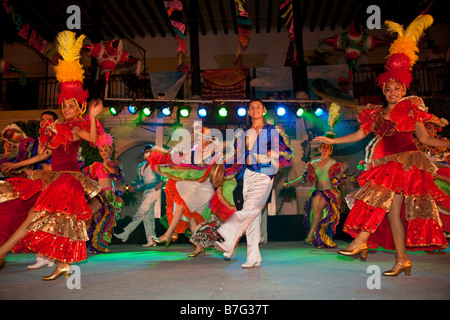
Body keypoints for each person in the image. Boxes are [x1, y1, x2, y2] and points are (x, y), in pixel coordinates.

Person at [313, 14, 448, 276]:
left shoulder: (411, 108)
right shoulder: (376, 114)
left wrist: (448, 140)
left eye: (397, 88)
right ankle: (402, 260)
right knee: (391, 214)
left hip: (405, 162)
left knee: (378, 198)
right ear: (383, 91)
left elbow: (426, 139)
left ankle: (360, 242)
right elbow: (358, 135)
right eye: (388, 90)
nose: (393, 93)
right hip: (386, 163)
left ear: (404, 88)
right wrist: (332, 139)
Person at [0, 30, 104, 281]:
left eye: (71, 105)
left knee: (35, 217)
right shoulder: (53, 128)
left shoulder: (76, 127)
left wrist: (91, 117)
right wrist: (17, 164)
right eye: (64, 105)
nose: (66, 109)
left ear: (78, 106)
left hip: (68, 180)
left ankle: (3, 253)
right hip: (53, 178)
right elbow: (42, 155)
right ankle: (62, 263)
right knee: (50, 220)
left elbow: (92, 139)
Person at [214, 98, 294, 268]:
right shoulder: (242, 134)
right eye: (252, 107)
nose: (255, 109)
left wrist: (269, 154)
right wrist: (222, 168)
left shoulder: (272, 130)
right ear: (249, 112)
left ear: (263, 110)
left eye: (258, 107)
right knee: (253, 215)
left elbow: (286, 152)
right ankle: (253, 257)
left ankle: (227, 237)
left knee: (249, 209)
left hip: (265, 174)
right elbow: (237, 157)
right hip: (249, 174)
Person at [151, 125, 219, 247]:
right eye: (199, 139)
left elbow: (213, 173)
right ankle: (199, 246)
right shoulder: (193, 152)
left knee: (182, 206)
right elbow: (183, 166)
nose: (201, 141)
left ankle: (168, 234)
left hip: (203, 189)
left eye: (204, 139)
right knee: (191, 216)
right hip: (191, 187)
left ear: (209, 139)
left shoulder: (213, 153)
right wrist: (170, 164)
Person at [285, 122, 348, 248]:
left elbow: (336, 179)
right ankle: (318, 239)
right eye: (323, 147)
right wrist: (290, 184)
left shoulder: (333, 162)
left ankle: (310, 236)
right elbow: (304, 178)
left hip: (329, 191)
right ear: (319, 148)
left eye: (328, 148)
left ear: (330, 151)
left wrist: (341, 171)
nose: (325, 149)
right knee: (314, 213)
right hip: (317, 191)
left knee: (319, 210)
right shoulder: (313, 163)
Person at [114, 145, 163, 247]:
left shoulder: (157, 165)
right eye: (145, 152)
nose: (147, 154)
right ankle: (152, 240)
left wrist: (162, 183)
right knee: (147, 217)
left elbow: (165, 175)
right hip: (146, 191)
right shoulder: (141, 166)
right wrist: (134, 186)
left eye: (149, 152)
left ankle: (125, 233)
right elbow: (140, 181)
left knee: (140, 213)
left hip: (154, 190)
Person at [84, 133, 124, 253]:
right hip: (98, 193)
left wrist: (106, 164)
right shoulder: (95, 166)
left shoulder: (113, 164)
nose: (103, 153)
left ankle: (97, 244)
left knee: (103, 219)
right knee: (93, 217)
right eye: (101, 151)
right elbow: (91, 180)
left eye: (105, 151)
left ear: (109, 152)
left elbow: (115, 174)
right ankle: (91, 243)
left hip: (108, 195)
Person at [414, 115, 450, 237]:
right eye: (429, 128)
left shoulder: (443, 144)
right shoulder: (416, 144)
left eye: (434, 129)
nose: (432, 131)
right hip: (426, 175)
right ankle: (437, 228)